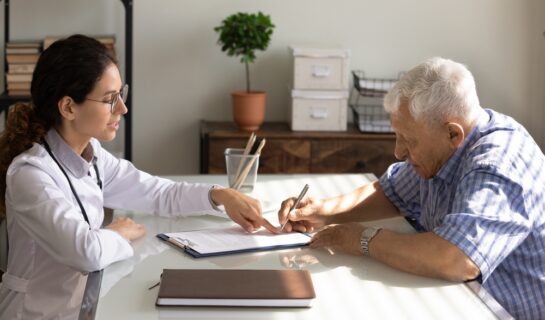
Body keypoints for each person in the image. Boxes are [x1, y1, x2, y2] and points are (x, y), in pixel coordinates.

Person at [0, 34, 277, 319]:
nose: (122, 108)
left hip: (82, 305)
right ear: (68, 107)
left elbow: (158, 193)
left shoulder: (92, 156)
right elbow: (85, 252)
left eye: (121, 94)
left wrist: (220, 195)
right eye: (110, 99)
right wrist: (117, 232)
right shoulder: (31, 175)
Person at [278, 57, 545, 319]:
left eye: (409, 140)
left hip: (502, 310)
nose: (398, 152)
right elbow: (390, 192)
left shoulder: (498, 163)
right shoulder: (440, 149)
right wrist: (323, 211)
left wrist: (362, 239)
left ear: (453, 134)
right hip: (461, 298)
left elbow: (457, 259)